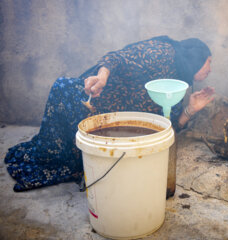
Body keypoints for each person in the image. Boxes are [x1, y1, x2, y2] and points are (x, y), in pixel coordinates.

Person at [4, 35, 215, 192]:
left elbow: (164, 130)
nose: (210, 69)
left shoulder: (176, 85)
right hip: (92, 100)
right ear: (196, 57)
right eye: (209, 61)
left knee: (95, 163)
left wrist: (191, 109)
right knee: (62, 153)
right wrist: (102, 77)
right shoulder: (162, 52)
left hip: (114, 124)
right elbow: (117, 58)